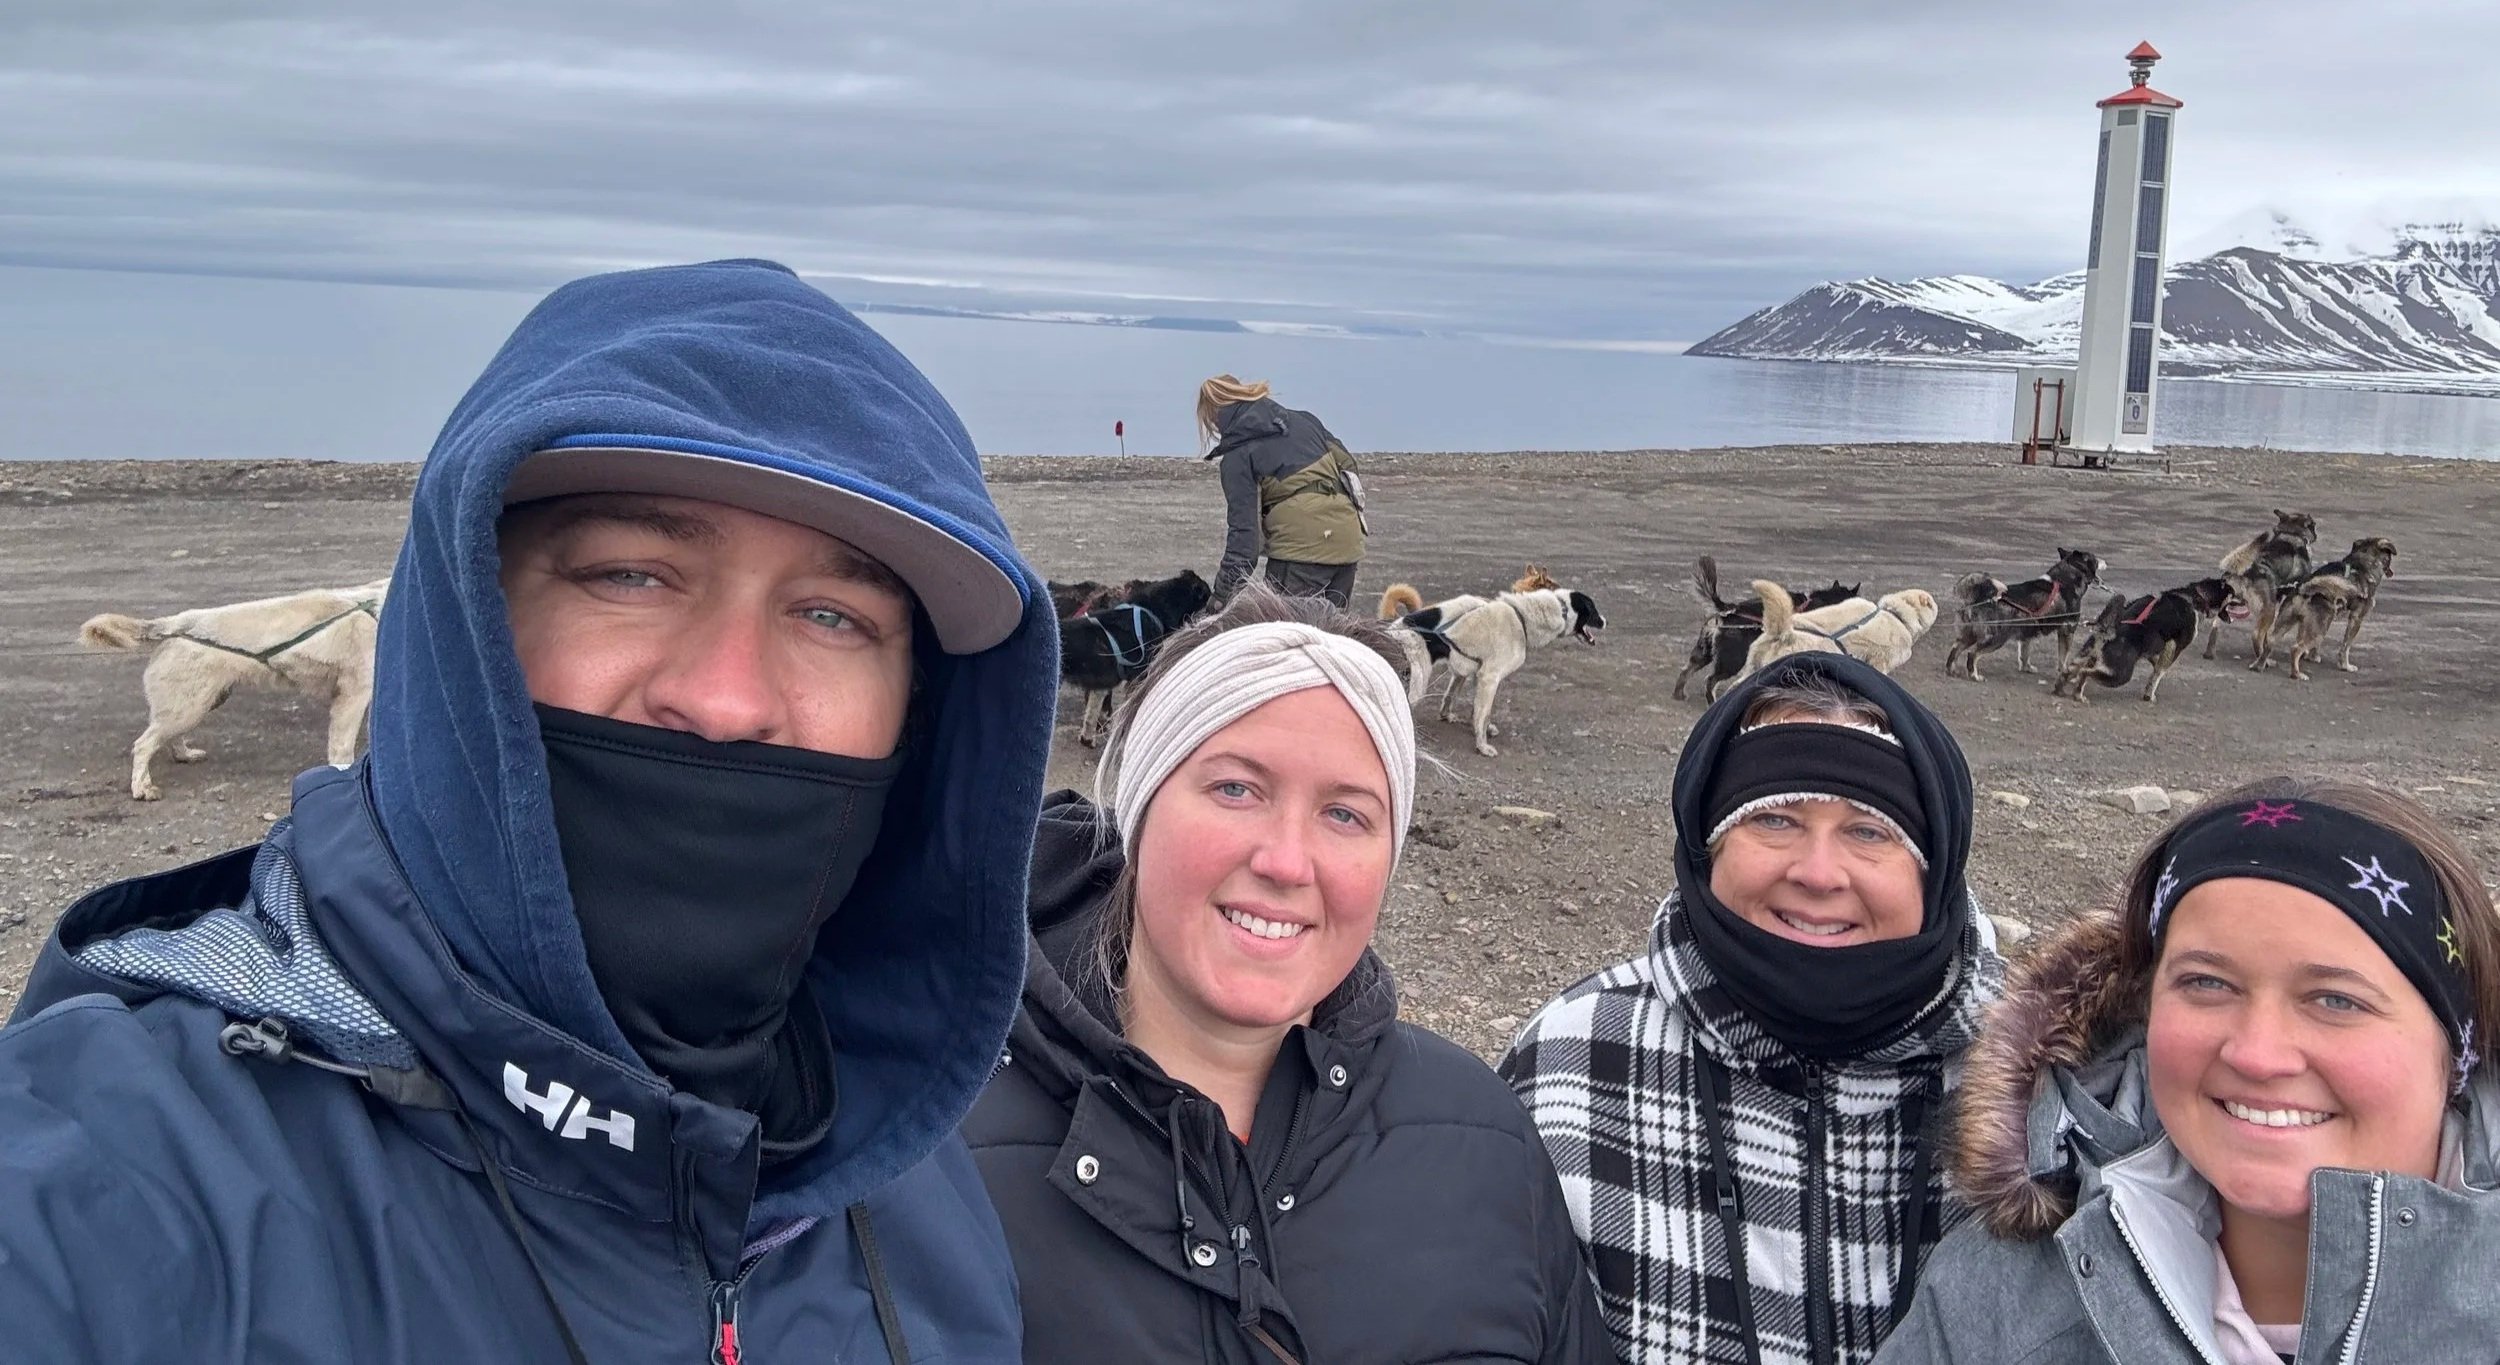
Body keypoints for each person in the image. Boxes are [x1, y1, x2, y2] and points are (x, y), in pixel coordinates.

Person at [0, 260, 1057, 1362]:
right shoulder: (115, 1176)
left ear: (919, 712)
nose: (727, 697)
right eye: (630, 576)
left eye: (835, 615)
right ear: (462, 619)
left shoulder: (895, 1147)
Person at [963, 585, 1611, 1363]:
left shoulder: (1489, 1143)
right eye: (1235, 788)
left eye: (1346, 814)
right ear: (1138, 809)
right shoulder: (933, 1155)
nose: (1284, 861)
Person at [1874, 778, 2500, 1364]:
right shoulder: (1992, 1306)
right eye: (2206, 983)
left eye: (2336, 1000)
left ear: (2457, 1048)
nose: (2256, 1054)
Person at [1501, 652, 2007, 1365]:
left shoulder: (2037, 1082)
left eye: (1869, 830)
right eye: (1773, 818)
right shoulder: (1573, 1060)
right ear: (1708, 846)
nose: (1817, 872)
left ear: (1937, 863)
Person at [1199, 374, 1367, 607]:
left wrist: (1221, 596)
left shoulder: (1237, 456)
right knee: (1331, 636)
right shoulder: (1305, 421)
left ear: (1214, 414)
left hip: (1299, 551)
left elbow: (1245, 539)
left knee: (1283, 637)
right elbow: (1348, 466)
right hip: (1348, 541)